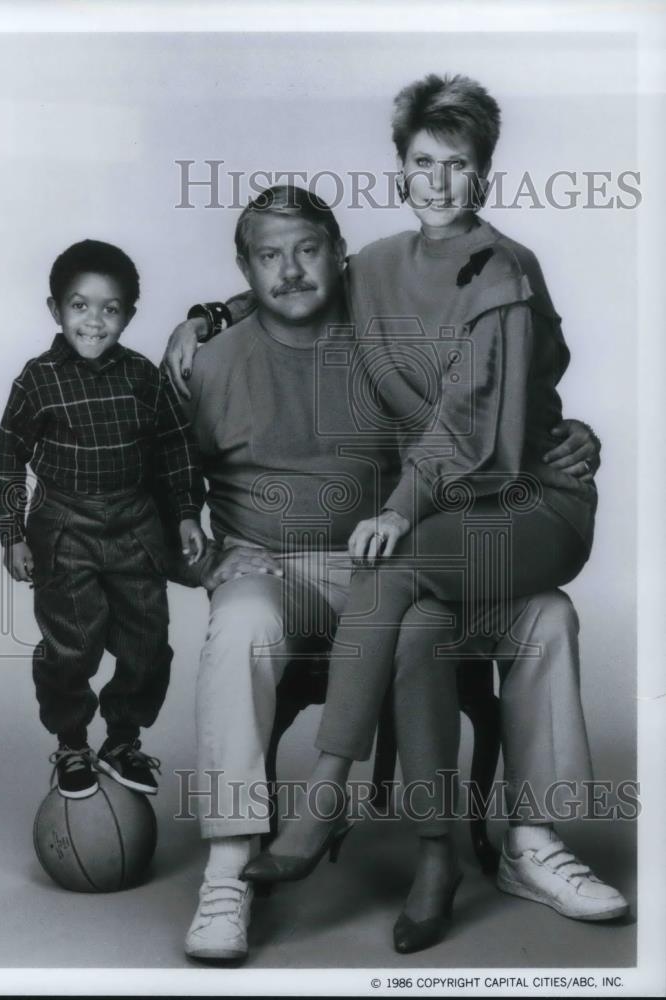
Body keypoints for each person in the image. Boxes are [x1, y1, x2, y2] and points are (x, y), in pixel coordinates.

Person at [165, 185, 608, 962]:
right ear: (244, 267)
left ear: (340, 255)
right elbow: (157, 494)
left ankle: (531, 841)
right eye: (268, 256)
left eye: (308, 250)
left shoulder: (390, 334)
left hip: (412, 563)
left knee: (546, 614)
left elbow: (489, 401)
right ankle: (231, 863)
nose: (291, 271)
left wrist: (566, 434)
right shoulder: (207, 362)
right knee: (239, 622)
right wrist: (204, 558)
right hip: (284, 574)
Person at [235, 75, 628, 939]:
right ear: (400, 170)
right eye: (422, 162)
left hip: (529, 501)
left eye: (458, 164)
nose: (438, 182)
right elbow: (295, 292)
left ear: (482, 173)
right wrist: (203, 316)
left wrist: (402, 507)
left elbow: (472, 424)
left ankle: (321, 797)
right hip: (453, 514)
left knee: (386, 569)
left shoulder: (503, 271)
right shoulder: (374, 267)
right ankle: (439, 856)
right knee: (414, 629)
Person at [0, 239, 206, 800]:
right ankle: (72, 744)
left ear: (129, 314)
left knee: (148, 643)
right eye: (79, 305)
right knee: (71, 646)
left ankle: (122, 740)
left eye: (111, 309)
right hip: (65, 527)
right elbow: (7, 460)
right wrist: (12, 536)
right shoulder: (37, 381)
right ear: (55, 309)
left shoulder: (141, 377)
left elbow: (176, 448)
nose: (94, 320)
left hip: (136, 525)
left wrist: (184, 513)